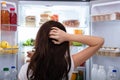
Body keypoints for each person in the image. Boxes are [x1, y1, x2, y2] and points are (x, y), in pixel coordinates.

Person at [18, 20, 104, 80]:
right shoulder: (67, 65)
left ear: (39, 41)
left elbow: (45, 61)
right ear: (64, 44)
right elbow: (99, 42)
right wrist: (68, 36)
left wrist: (38, 57)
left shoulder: (26, 69)